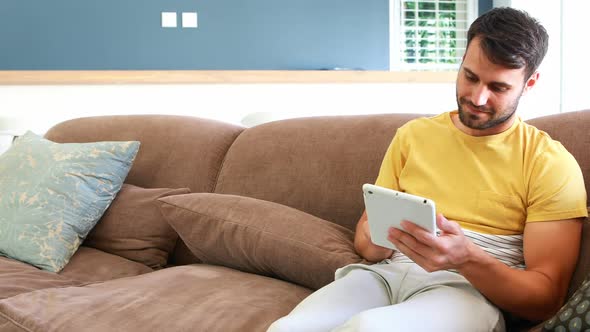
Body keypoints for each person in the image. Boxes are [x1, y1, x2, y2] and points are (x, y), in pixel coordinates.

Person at [267, 7, 588, 332]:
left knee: (368, 328)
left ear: (529, 83)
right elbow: (367, 244)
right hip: (384, 276)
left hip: (467, 290)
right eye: (470, 76)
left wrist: (467, 258)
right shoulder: (413, 136)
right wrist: (378, 240)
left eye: (498, 87)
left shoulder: (550, 162)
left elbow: (546, 299)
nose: (477, 97)